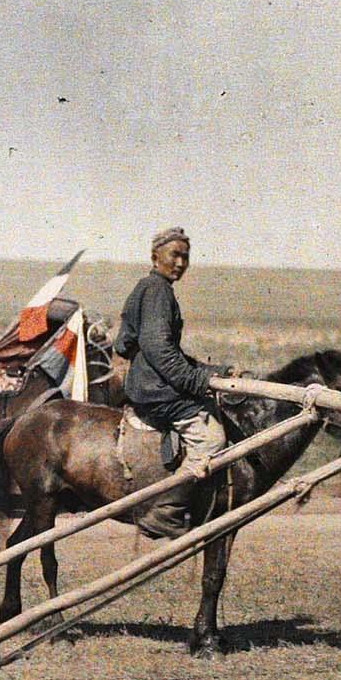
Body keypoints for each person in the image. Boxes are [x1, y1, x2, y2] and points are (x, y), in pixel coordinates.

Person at [116, 227, 231, 539]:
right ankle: (166, 510)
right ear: (155, 257)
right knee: (212, 439)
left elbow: (125, 343)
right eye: (175, 255)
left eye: (186, 257)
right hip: (154, 388)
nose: (181, 263)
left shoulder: (145, 288)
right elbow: (160, 348)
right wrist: (195, 380)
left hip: (146, 381)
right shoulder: (158, 292)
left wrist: (210, 370)